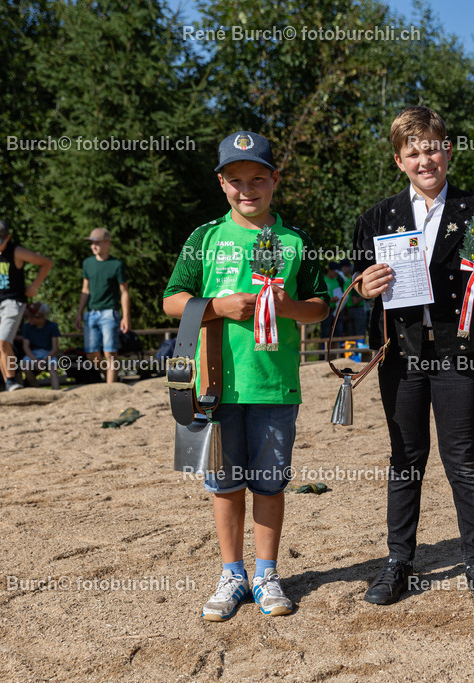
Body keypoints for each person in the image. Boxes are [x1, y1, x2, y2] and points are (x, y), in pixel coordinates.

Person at [163, 131, 329, 621]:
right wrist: (216, 306)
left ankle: (267, 574)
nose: (247, 188)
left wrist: (290, 307)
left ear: (275, 179)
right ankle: (231, 573)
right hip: (213, 389)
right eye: (236, 180)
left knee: (271, 484)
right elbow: (172, 299)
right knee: (223, 483)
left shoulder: (297, 241)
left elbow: (319, 307)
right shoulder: (205, 237)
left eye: (258, 177)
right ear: (222, 183)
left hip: (276, 387)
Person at [353, 106, 474, 609]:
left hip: (457, 351)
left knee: (462, 458)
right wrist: (365, 286)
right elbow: (358, 286)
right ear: (399, 159)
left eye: (433, 148)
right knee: (405, 459)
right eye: (413, 151)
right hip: (399, 355)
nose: (426, 159)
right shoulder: (375, 218)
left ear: (448, 151)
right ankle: (399, 563)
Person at [0, 219, 53, 392]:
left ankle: (11, 380)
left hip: (13, 301)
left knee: (3, 340)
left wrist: (34, 286)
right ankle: (10, 384)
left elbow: (46, 263)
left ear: (7, 238)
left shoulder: (17, 252)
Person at [75, 228, 130, 384]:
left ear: (108, 244)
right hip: (91, 314)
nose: (94, 246)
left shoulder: (116, 265)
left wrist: (126, 317)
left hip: (109, 313)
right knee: (91, 354)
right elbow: (85, 290)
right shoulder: (87, 263)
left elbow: (124, 292)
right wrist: (80, 313)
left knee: (110, 352)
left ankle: (110, 387)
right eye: (92, 243)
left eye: (97, 243)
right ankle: (111, 376)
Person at [21, 302, 61, 389]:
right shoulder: (26, 327)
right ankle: (37, 389)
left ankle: (56, 391)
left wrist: (44, 361)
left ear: (41, 317)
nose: (29, 319)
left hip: (49, 354)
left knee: (53, 369)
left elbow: (55, 348)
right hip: (33, 354)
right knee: (25, 366)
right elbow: (26, 347)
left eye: (32, 317)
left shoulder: (52, 326)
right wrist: (35, 361)